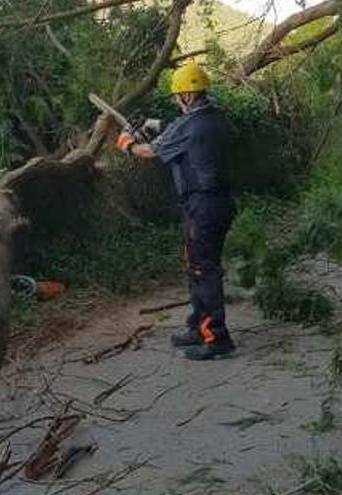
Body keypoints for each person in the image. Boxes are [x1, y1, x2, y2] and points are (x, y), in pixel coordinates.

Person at [116, 63, 236, 360]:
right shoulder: (215, 118)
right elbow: (177, 131)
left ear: (185, 96)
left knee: (202, 270)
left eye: (176, 97)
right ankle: (198, 326)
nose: (175, 101)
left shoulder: (189, 126)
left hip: (202, 206)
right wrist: (152, 125)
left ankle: (215, 337)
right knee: (198, 265)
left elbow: (150, 151)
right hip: (219, 203)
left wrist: (128, 144)